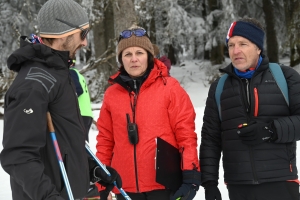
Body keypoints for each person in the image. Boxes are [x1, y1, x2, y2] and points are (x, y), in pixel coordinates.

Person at [0, 0, 121, 199]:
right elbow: (18, 157)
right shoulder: (34, 83)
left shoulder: (58, 73)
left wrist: (93, 170)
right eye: (82, 34)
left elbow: (65, 144)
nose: (85, 42)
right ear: (63, 33)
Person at [95, 25, 201, 200]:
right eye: (127, 54)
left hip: (164, 185)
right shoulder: (111, 95)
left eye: (139, 53)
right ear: (121, 59)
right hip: (124, 187)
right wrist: (101, 181)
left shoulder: (170, 88)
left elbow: (186, 135)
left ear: (149, 56)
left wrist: (191, 175)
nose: (134, 59)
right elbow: (105, 141)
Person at [200, 17, 300, 200]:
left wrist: (270, 130)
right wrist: (209, 183)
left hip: (281, 183)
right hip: (239, 186)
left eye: (243, 44)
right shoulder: (219, 87)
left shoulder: (284, 77)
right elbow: (210, 139)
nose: (236, 51)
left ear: (258, 47)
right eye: (231, 45)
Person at [69, 66, 93, 141]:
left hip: (80, 114)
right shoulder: (77, 73)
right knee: (83, 144)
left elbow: (78, 90)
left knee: (80, 145)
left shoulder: (70, 72)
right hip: (86, 113)